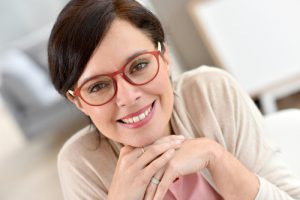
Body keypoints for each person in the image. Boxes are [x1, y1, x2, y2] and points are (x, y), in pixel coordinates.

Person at [48, 0, 300, 199]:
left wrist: (217, 158)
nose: (128, 96)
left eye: (139, 65)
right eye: (98, 86)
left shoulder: (211, 92)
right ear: (78, 101)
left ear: (164, 55)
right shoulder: (81, 164)